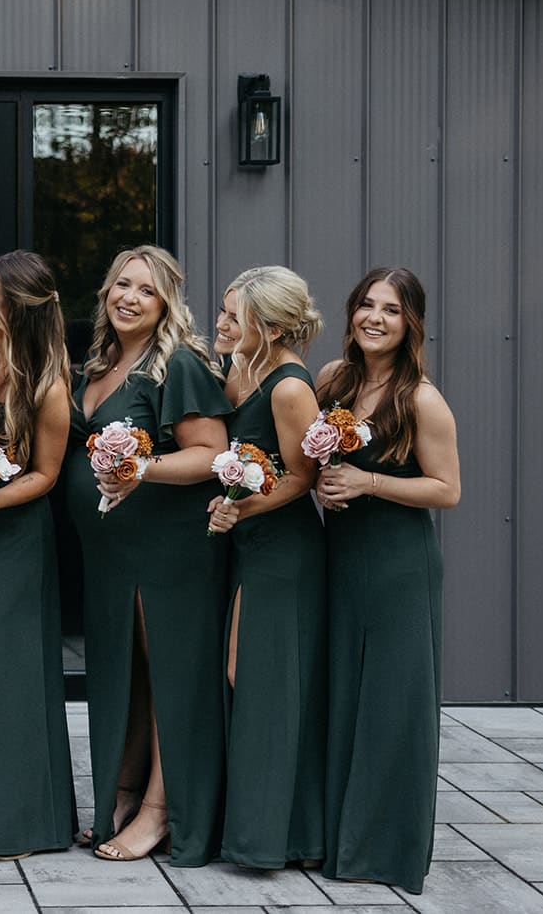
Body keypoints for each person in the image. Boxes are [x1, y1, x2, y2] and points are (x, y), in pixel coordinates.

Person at [61, 244, 231, 865]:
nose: (130, 298)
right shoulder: (98, 364)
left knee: (167, 679)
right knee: (127, 676)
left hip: (168, 549)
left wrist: (142, 469)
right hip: (111, 553)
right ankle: (125, 792)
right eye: (122, 285)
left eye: (147, 290)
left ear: (167, 304)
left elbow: (212, 452)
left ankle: (162, 812)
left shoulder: (177, 364)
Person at [315, 267, 459, 895]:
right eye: (367, 305)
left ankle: (386, 850)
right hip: (340, 559)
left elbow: (447, 489)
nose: (375, 318)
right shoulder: (333, 381)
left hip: (400, 565)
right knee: (343, 695)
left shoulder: (421, 399)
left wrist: (368, 481)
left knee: (394, 705)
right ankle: (337, 839)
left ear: (411, 324)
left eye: (392, 310)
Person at [0, 250, 77, 859]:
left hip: (17, 538)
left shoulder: (48, 384)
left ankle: (22, 821)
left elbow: (47, 475)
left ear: (15, 304)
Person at [206, 266, 327, 868]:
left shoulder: (288, 388)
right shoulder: (235, 368)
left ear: (273, 328)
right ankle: (254, 825)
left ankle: (279, 836)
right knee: (242, 676)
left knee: (260, 679)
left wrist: (241, 508)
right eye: (224, 311)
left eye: (237, 317)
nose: (223, 323)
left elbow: (303, 477)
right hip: (244, 545)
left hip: (283, 551)